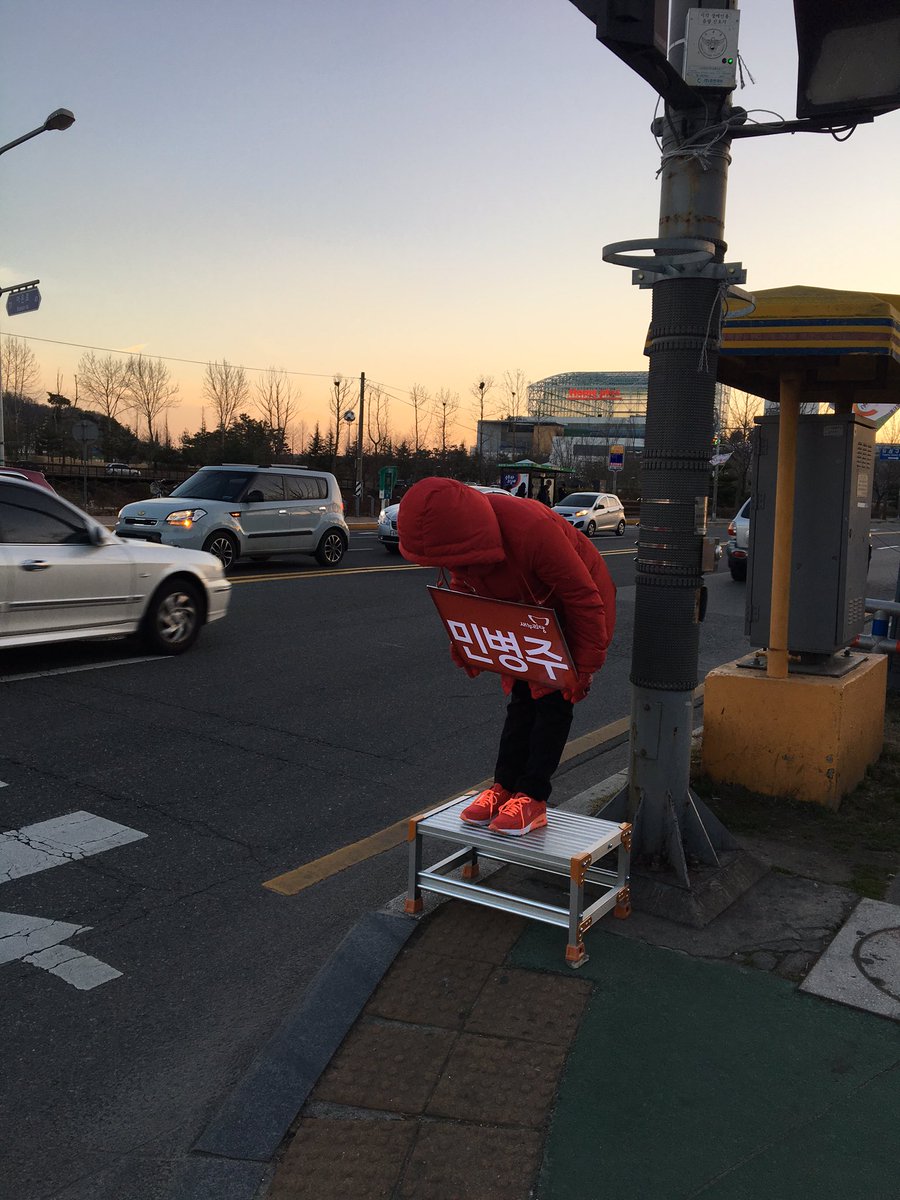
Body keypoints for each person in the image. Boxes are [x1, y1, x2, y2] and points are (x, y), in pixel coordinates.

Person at [399, 477, 615, 836]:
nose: (454, 566)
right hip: (521, 612)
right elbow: (464, 587)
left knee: (552, 702)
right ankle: (505, 786)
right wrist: (467, 644)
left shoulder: (532, 529)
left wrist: (585, 665)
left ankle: (533, 796)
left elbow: (583, 596)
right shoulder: (466, 541)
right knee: (519, 700)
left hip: (569, 612)